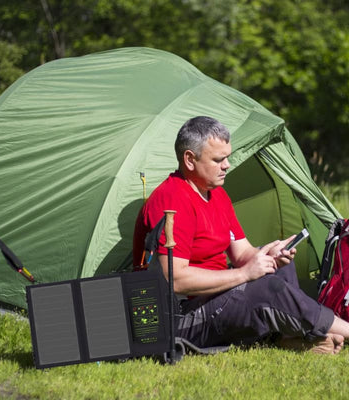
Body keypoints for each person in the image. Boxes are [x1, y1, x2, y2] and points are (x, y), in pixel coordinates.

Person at [133, 116, 349, 354]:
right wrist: (244, 274)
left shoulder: (217, 195)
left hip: (214, 299)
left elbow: (242, 253)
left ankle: (290, 336)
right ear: (190, 159)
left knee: (276, 267)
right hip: (181, 317)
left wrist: (268, 255)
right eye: (218, 159)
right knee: (268, 288)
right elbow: (174, 279)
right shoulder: (172, 199)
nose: (227, 165)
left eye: (227, 157)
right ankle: (336, 329)